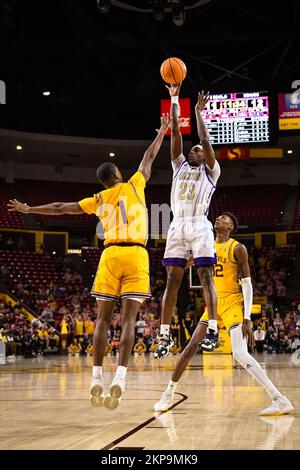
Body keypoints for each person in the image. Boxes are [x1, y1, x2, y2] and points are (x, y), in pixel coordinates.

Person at [8, 114, 171, 408]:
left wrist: (30, 207)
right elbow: (149, 157)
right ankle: (120, 377)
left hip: (109, 255)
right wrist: (162, 131)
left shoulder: (97, 199)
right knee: (130, 320)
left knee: (102, 320)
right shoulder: (134, 184)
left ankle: (96, 376)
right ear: (118, 174)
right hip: (136, 254)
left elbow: (60, 208)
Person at [154, 213, 294, 416]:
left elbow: (247, 284)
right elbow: (183, 265)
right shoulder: (206, 245)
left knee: (239, 352)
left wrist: (247, 317)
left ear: (230, 227)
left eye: (224, 219)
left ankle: (279, 399)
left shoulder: (237, 248)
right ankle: (168, 393)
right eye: (218, 217)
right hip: (213, 306)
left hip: (232, 303)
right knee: (190, 347)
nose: (219, 219)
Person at [155, 87, 220, 359]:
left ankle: (213, 329)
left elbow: (204, 139)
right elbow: (177, 135)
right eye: (191, 150)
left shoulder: (212, 170)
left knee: (205, 275)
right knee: (172, 280)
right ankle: (164, 335)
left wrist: (197, 113)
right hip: (177, 225)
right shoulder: (179, 166)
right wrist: (173, 99)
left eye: (198, 150)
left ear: (205, 154)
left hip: (199, 224)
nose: (193, 151)